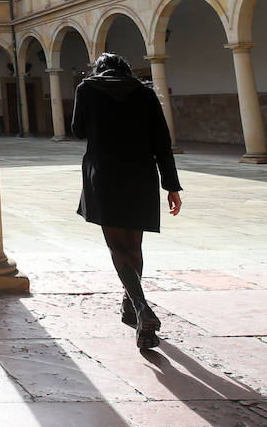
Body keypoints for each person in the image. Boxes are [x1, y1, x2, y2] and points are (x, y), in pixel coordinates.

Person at [71, 52, 183, 350]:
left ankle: (141, 307)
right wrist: (171, 186)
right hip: (140, 174)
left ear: (98, 69)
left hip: (104, 174)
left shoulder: (87, 89)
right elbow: (162, 141)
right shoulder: (144, 92)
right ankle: (132, 307)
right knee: (134, 245)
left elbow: (77, 131)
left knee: (116, 245)